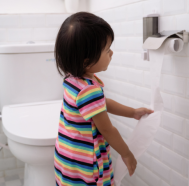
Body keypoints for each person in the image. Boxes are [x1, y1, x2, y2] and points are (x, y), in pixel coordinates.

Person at [53, 11, 154, 186]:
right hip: (87, 165)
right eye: (107, 50)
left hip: (67, 157)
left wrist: (132, 113)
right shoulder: (89, 91)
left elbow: (102, 105)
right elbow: (108, 130)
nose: (111, 53)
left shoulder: (73, 80)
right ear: (86, 61)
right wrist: (126, 154)